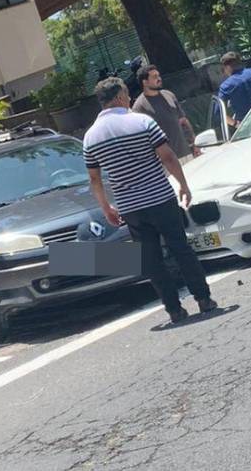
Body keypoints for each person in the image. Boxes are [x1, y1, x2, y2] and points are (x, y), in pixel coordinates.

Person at [83, 78, 216, 323]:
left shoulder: (90, 137)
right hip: (160, 197)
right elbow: (167, 156)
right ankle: (204, 299)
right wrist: (183, 184)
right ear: (121, 97)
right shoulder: (141, 121)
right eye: (127, 95)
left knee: (151, 260)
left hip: (130, 206)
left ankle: (174, 310)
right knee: (180, 248)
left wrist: (106, 207)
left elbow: (95, 179)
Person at [132, 63, 199, 160]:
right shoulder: (139, 107)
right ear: (145, 82)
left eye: (159, 75)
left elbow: (183, 122)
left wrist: (195, 144)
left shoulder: (169, 95)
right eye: (155, 77)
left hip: (188, 154)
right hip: (166, 163)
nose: (159, 78)